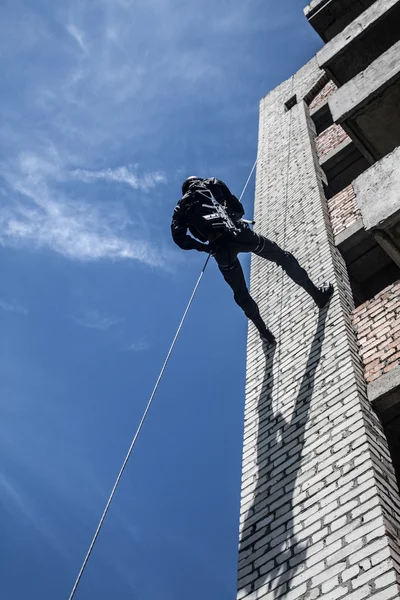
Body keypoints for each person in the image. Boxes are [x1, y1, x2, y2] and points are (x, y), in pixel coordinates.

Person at [171, 176, 333, 345]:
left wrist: (204, 248)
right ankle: (317, 295)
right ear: (197, 180)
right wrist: (234, 217)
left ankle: (264, 332)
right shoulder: (210, 183)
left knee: (241, 293)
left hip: (220, 250)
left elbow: (179, 238)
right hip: (239, 233)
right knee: (282, 257)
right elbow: (238, 208)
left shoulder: (180, 207)